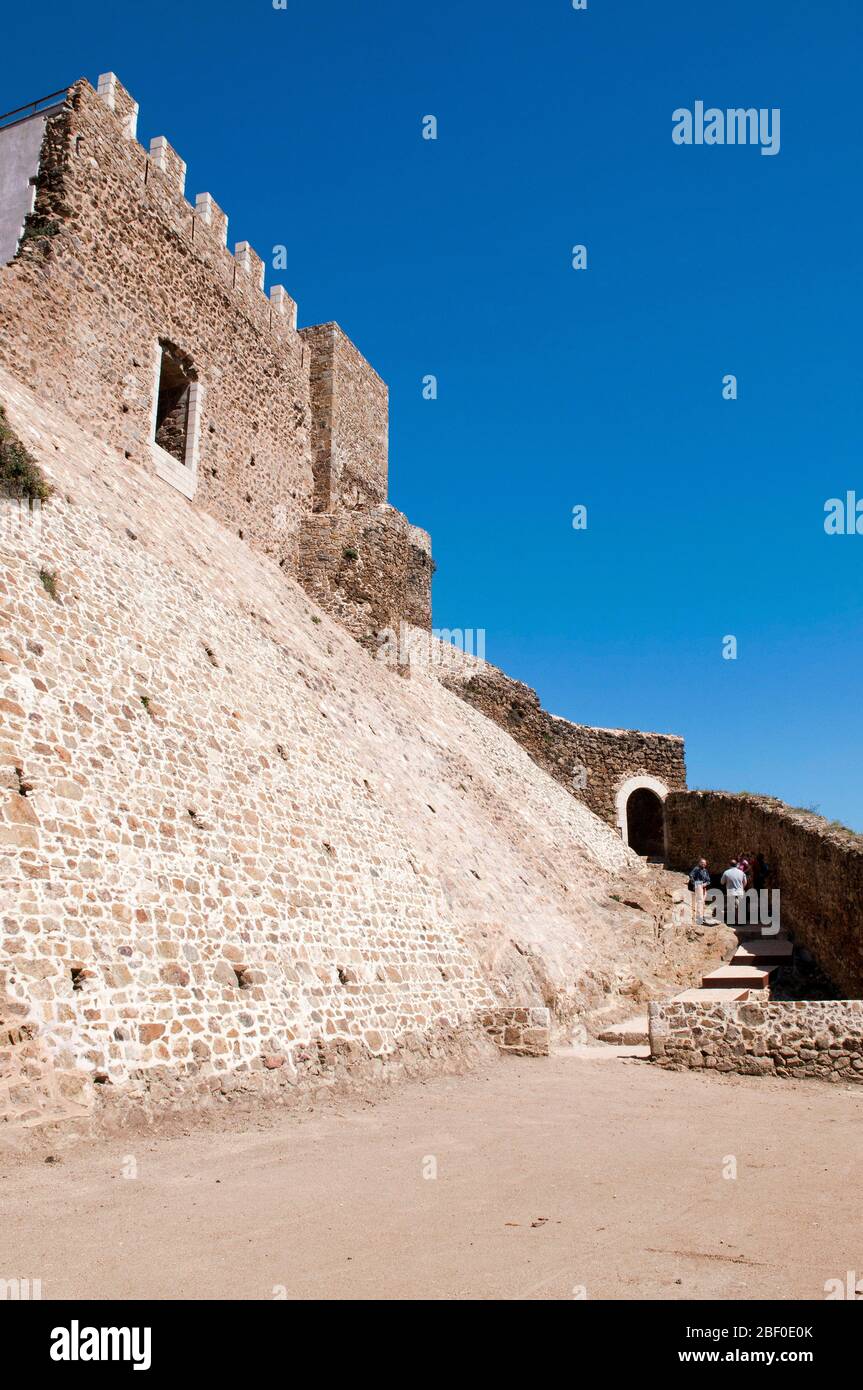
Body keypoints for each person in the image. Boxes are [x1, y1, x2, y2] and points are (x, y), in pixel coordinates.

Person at [721, 859, 747, 924]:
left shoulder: (726, 872)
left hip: (731, 891)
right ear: (736, 865)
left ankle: (735, 921)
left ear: (729, 865)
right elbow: (745, 882)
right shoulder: (741, 872)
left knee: (733, 906)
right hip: (740, 891)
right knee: (739, 906)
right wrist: (742, 888)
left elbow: (722, 882)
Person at [688, 858, 711, 926]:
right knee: (699, 901)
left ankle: (702, 916)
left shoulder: (705, 871)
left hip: (704, 887)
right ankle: (699, 918)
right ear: (699, 863)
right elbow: (691, 875)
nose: (703, 864)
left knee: (702, 902)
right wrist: (696, 883)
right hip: (698, 885)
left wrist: (705, 884)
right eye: (702, 863)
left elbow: (708, 880)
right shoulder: (696, 869)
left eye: (704, 863)